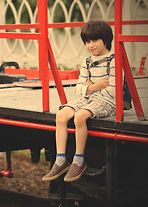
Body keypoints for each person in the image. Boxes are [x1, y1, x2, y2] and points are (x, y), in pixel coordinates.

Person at [42, 20, 116, 182]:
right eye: (87, 42)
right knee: (61, 115)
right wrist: (94, 86)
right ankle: (61, 160)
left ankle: (79, 159)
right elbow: (79, 88)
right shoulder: (87, 61)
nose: (90, 45)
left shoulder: (114, 61)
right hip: (89, 97)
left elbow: (112, 90)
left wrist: (89, 86)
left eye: (95, 40)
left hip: (108, 102)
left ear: (106, 39)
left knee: (80, 116)